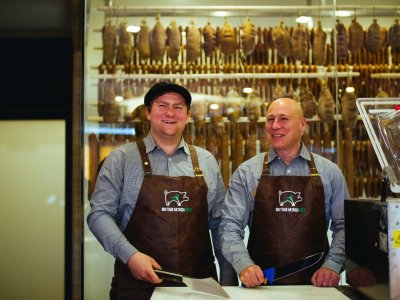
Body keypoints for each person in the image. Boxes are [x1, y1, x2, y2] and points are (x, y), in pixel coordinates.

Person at [87, 82, 236, 300]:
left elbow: (219, 224)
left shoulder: (206, 161)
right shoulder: (120, 160)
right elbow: (99, 215)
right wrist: (131, 257)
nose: (170, 113)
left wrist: (228, 282)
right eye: (162, 105)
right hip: (137, 288)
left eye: (178, 107)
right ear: (147, 113)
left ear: (187, 114)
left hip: (199, 288)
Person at [219, 98, 349, 288]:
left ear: (302, 124)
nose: (275, 126)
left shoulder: (329, 172)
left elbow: (344, 226)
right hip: (262, 285)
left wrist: (332, 265)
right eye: (270, 119)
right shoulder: (247, 172)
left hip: (316, 287)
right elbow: (229, 226)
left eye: (283, 119)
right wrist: (244, 265)